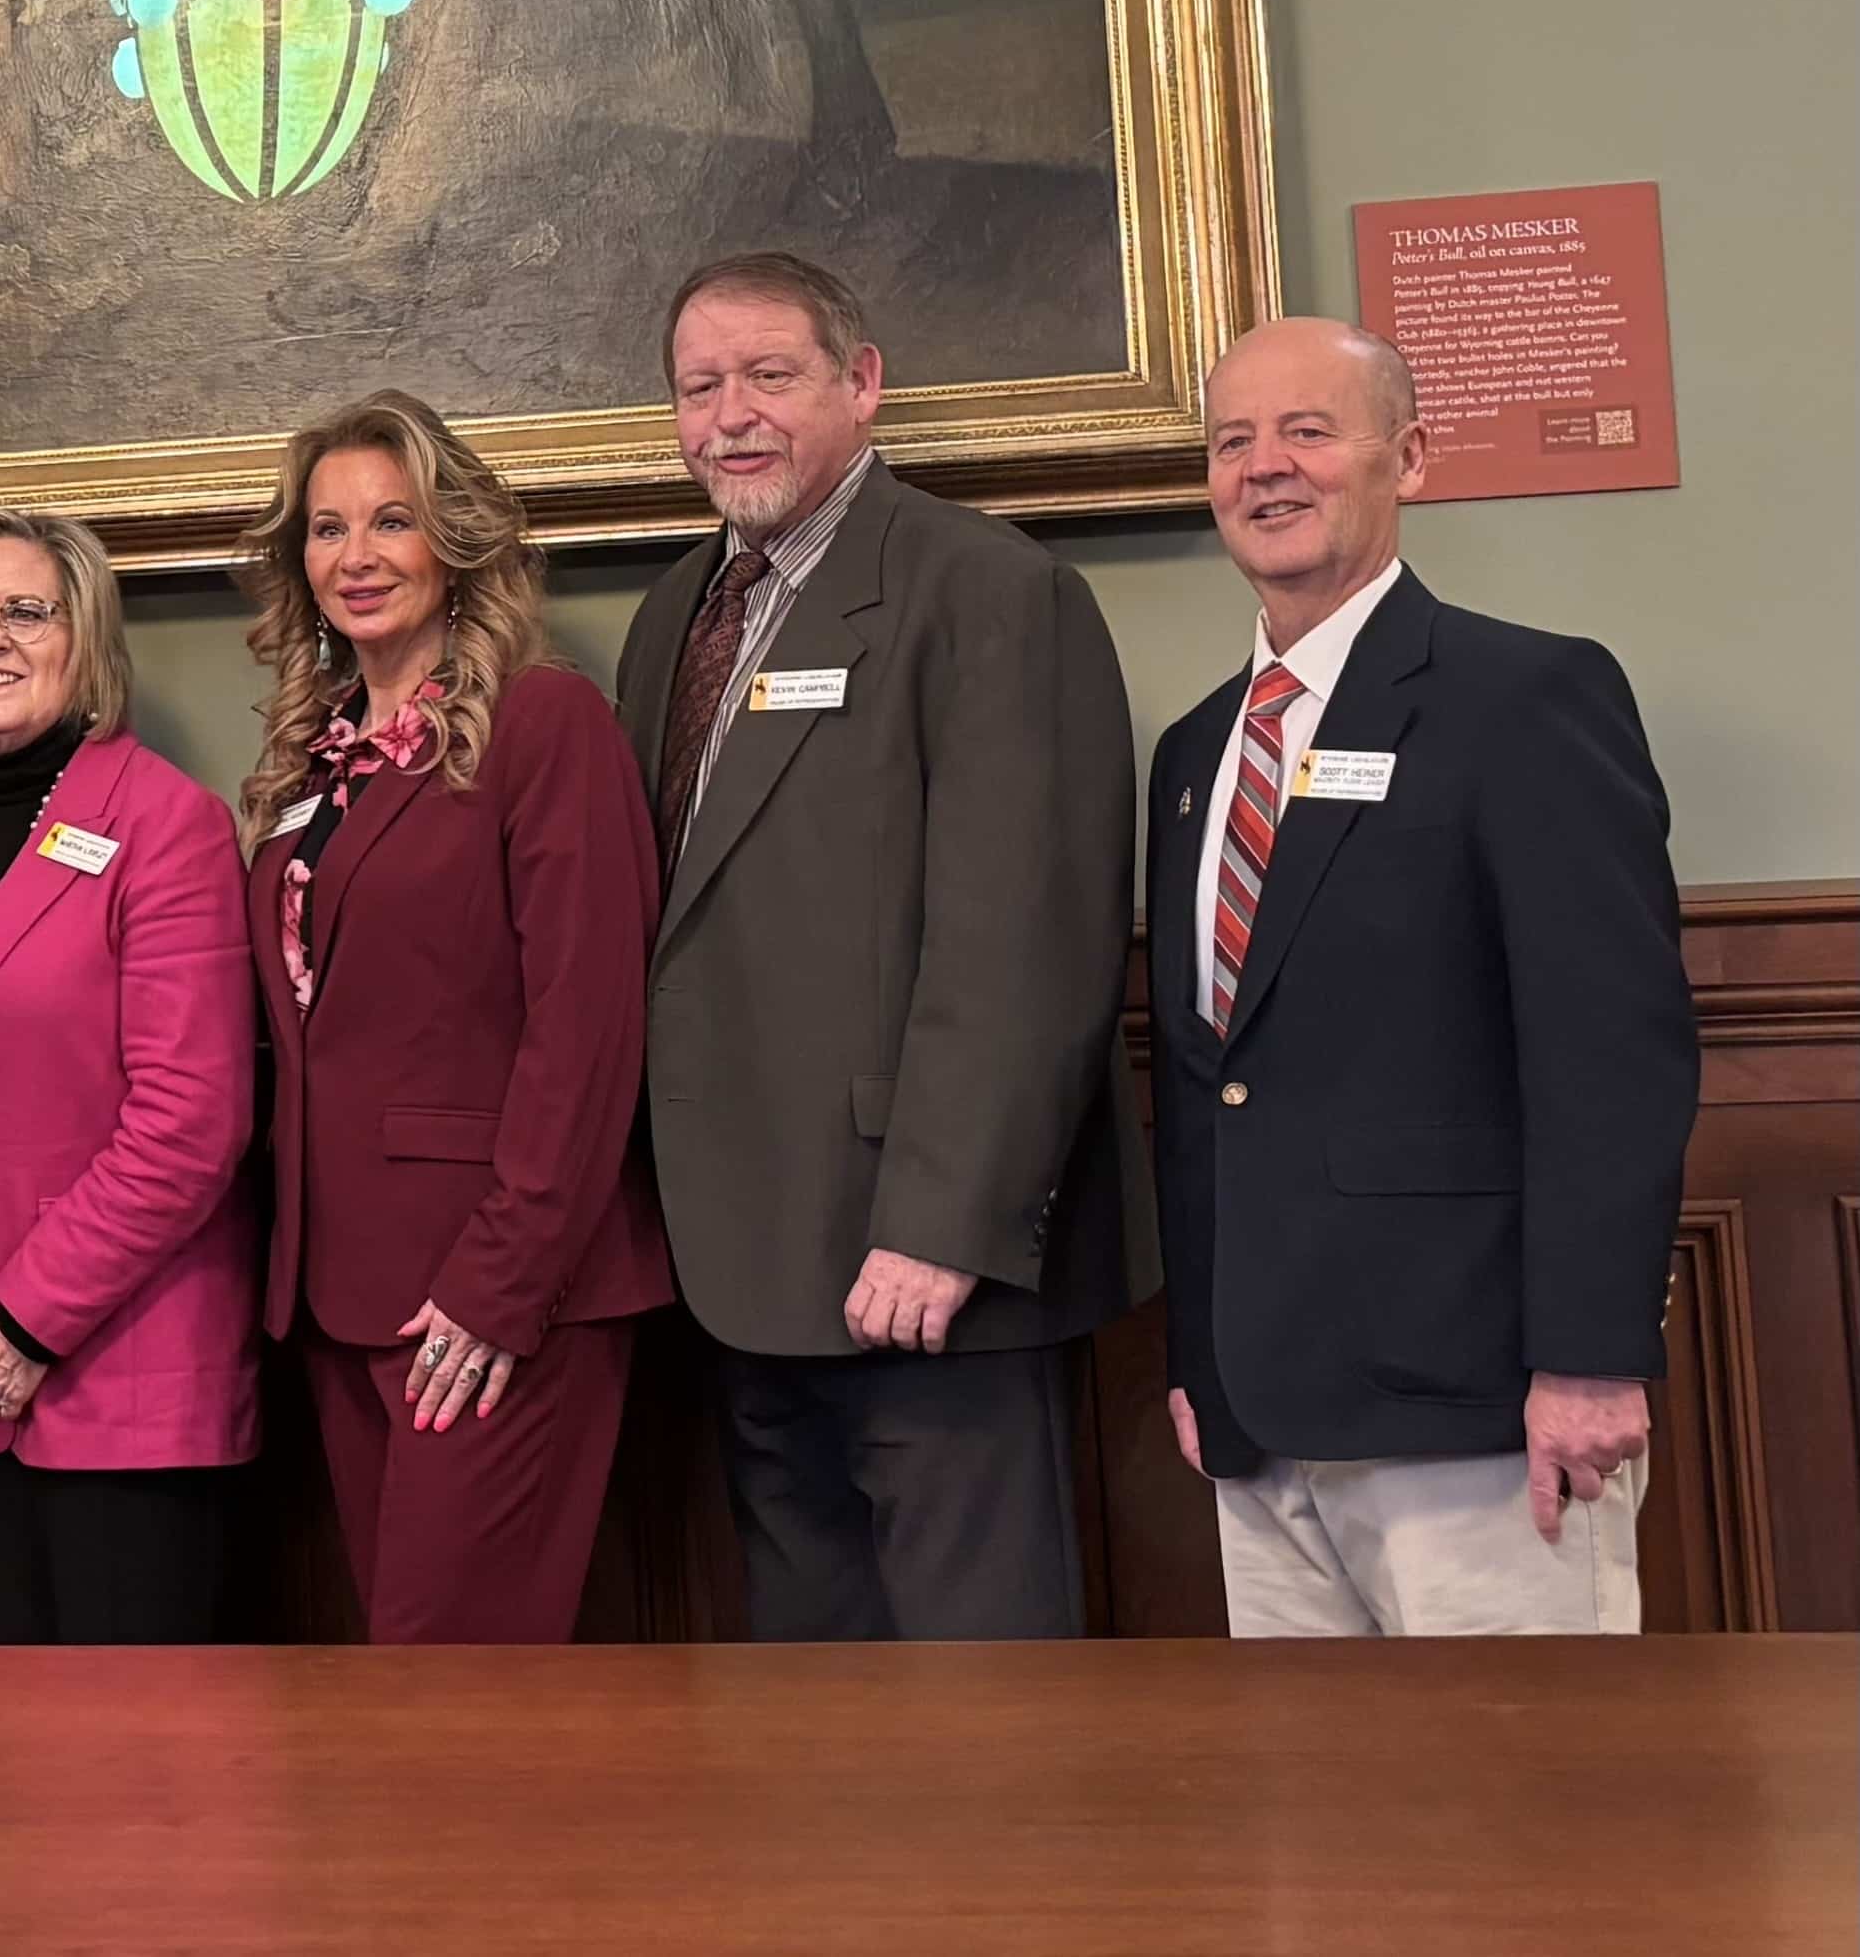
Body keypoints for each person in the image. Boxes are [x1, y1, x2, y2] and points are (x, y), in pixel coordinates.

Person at [616, 251, 1145, 1642]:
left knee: (980, 1702)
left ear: (862, 384)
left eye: (769, 376)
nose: (730, 415)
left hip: (917, 1265)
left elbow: (1025, 944)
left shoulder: (984, 590)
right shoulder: (676, 613)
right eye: (698, 386)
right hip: (739, 1257)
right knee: (815, 1707)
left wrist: (938, 1225)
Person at [1149, 317, 1690, 1635]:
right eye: (1232, 440)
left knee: (1518, 1816)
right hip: (1257, 1419)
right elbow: (1204, 1084)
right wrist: (1196, 1361)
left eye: (1308, 431)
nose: (1264, 467)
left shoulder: (1524, 698)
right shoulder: (1191, 755)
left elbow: (1608, 1053)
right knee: (1319, 1831)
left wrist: (1588, 1357)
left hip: (1480, 1413)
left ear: (1412, 458)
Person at [241, 395, 671, 1644]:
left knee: (457, 1683)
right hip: (337, 1289)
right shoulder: (316, 757)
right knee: (409, 1687)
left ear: (459, 543)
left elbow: (584, 1029)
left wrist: (501, 1280)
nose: (356, 555)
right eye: (326, 529)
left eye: (392, 521)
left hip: (489, 1296)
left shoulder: (544, 721)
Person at [0, 507, 256, 1646]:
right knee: (21, 1772)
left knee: (140, 1776)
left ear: (85, 636)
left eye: (26, 612)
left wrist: (28, 1322)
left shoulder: (165, 823)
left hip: (125, 1374)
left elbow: (189, 1123)